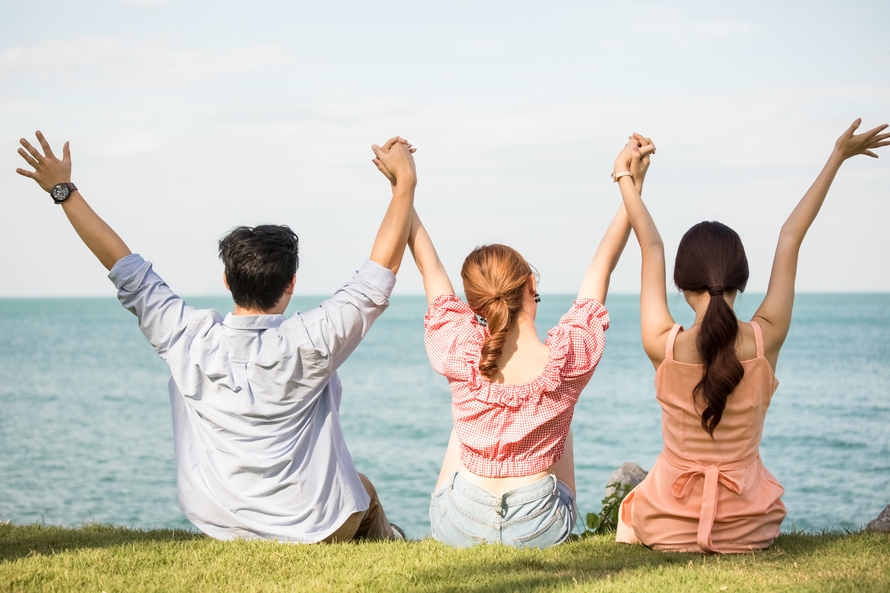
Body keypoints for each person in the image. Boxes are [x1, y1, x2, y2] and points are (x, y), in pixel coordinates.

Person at [15, 131, 419, 543]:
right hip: (311, 529)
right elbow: (375, 279)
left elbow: (123, 266)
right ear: (291, 283)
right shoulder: (312, 340)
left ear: (226, 279)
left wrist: (63, 191)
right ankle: (393, 545)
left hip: (224, 526)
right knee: (361, 490)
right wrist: (403, 183)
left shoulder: (187, 337)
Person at [613, 120, 889, 553]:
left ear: (682, 286)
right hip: (750, 529)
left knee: (632, 508)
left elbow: (651, 246)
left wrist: (626, 177)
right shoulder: (765, 340)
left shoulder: (662, 345)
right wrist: (837, 156)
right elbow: (791, 236)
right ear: (740, 280)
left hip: (670, 527)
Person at [372, 137, 655, 547]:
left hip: (460, 525)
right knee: (564, 415)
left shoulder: (460, 348)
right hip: (539, 527)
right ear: (531, 285)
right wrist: (630, 183)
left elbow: (427, 264)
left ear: (475, 303)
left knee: (464, 422)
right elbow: (602, 267)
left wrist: (404, 187)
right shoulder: (566, 358)